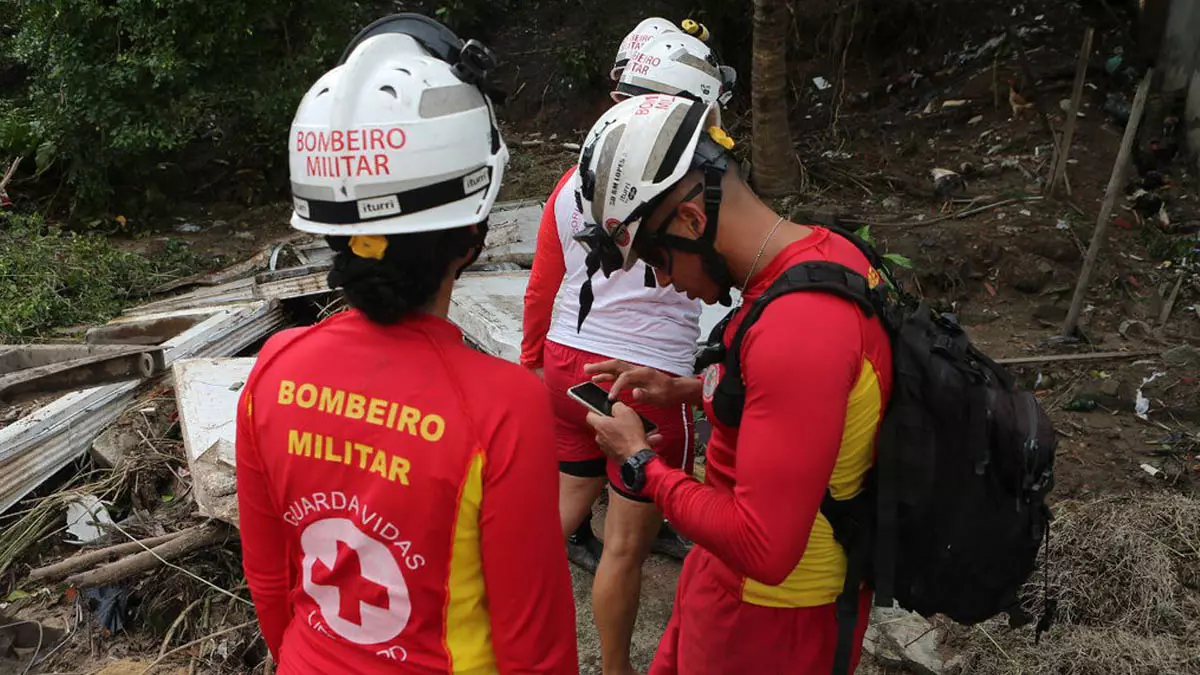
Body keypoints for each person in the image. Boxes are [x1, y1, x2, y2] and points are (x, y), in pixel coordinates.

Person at [236, 15, 577, 675]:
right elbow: (535, 646)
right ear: (472, 236)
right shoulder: (504, 408)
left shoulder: (273, 369)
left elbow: (271, 582)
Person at [573, 93, 894, 674]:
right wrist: (687, 390)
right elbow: (806, 407)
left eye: (656, 258)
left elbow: (764, 548)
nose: (664, 281)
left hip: (770, 620)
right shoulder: (819, 254)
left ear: (693, 221)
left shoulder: (801, 327)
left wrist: (641, 463)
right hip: (724, 582)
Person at [520, 21, 734, 675]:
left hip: (565, 364)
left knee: (562, 507)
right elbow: (728, 292)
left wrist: (530, 364)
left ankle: (499, 633)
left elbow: (541, 286)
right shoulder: (701, 190)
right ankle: (614, 670)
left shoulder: (570, 182)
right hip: (647, 381)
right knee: (622, 548)